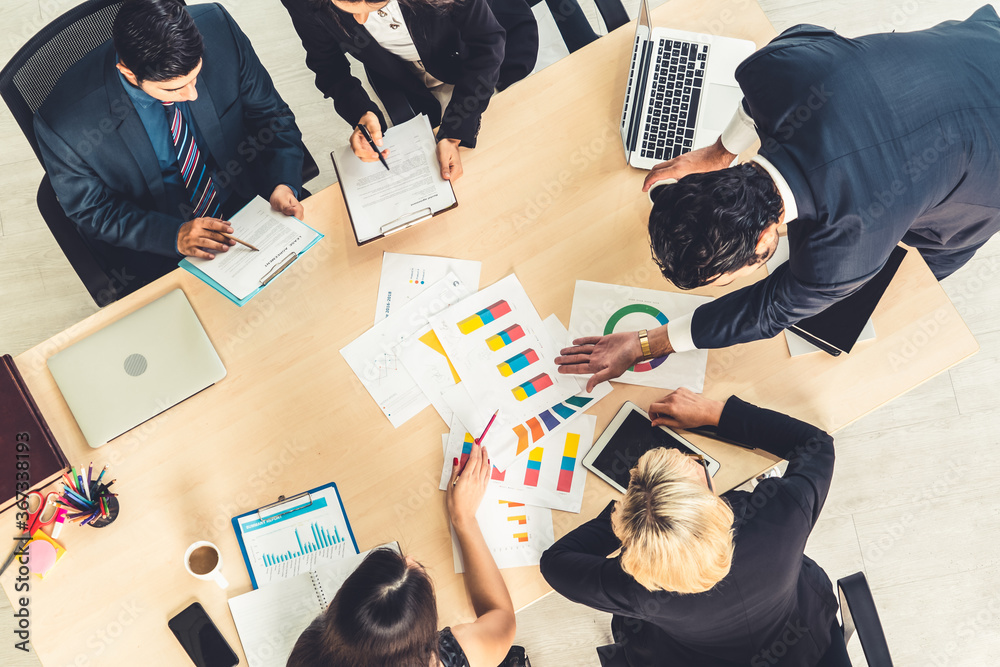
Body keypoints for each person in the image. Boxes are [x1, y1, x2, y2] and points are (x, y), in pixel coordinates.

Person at [556, 7, 1000, 388]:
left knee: (918, 272)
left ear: (767, 242)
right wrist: (718, 152)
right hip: (978, 47)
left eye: (731, 276)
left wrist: (646, 343)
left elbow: (766, 311)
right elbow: (792, 55)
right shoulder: (769, 71)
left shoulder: (847, 255)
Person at [540, 388, 848, 666]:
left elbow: (554, 563)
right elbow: (816, 445)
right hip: (804, 644)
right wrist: (717, 414)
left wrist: (631, 519)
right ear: (712, 500)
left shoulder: (640, 588)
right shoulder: (782, 518)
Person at [35, 0, 307, 289]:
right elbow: (91, 210)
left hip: (251, 200)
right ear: (129, 74)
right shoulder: (64, 123)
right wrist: (174, 236)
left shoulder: (219, 28)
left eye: (195, 77)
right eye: (174, 88)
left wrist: (283, 183)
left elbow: (271, 117)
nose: (192, 94)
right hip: (160, 240)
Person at [286, 442, 517, 667]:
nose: (410, 559)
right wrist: (463, 518)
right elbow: (502, 618)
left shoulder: (306, 654)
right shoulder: (448, 658)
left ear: (332, 610)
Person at [280, 0, 539, 182]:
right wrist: (362, 112)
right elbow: (328, 66)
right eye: (348, 6)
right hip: (410, 75)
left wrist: (456, 130)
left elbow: (487, 45)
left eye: (373, 6)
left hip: (487, 58)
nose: (359, 20)